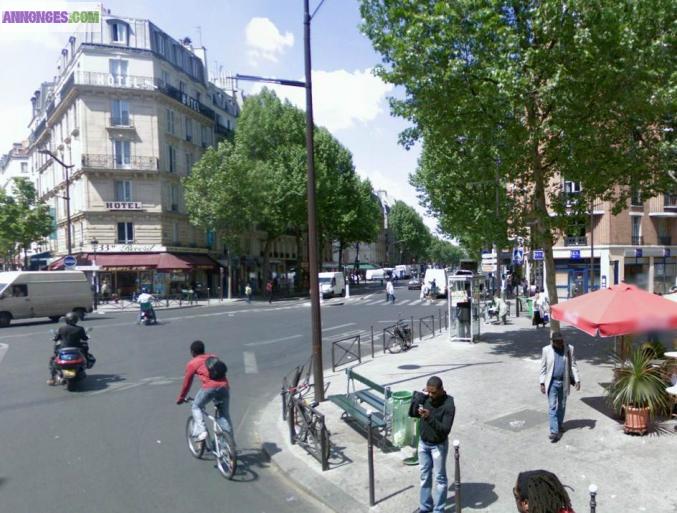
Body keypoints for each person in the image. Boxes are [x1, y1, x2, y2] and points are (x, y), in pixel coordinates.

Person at [409, 376, 456, 513]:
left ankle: (438, 510)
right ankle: (425, 507)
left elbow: (445, 429)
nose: (430, 395)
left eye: (433, 392)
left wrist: (429, 417)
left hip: (438, 446)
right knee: (424, 476)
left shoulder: (449, 404)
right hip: (423, 443)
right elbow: (412, 413)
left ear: (441, 390)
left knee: (440, 478)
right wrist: (417, 398)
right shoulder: (426, 398)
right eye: (428, 392)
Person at [176, 340, 232, 442]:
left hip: (209, 388)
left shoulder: (192, 363)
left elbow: (186, 384)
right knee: (224, 416)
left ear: (192, 352)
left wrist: (181, 397)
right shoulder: (214, 357)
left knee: (196, 406)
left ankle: (202, 431)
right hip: (224, 387)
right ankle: (230, 446)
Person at [540, 331, 581, 442]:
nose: (560, 343)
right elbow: (543, 368)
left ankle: (559, 424)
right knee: (552, 406)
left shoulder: (569, 349)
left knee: (562, 406)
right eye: (557, 342)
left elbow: (573, 365)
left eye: (561, 341)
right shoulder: (546, 350)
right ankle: (554, 431)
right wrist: (542, 383)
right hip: (552, 383)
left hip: (564, 382)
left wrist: (577, 380)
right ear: (553, 342)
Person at [47, 312, 93, 385]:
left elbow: (57, 338)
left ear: (66, 320)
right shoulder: (80, 328)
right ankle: (87, 362)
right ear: (76, 320)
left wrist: (55, 338)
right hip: (77, 348)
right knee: (85, 353)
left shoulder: (62, 328)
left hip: (63, 348)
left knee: (53, 359)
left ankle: (52, 379)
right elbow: (84, 338)